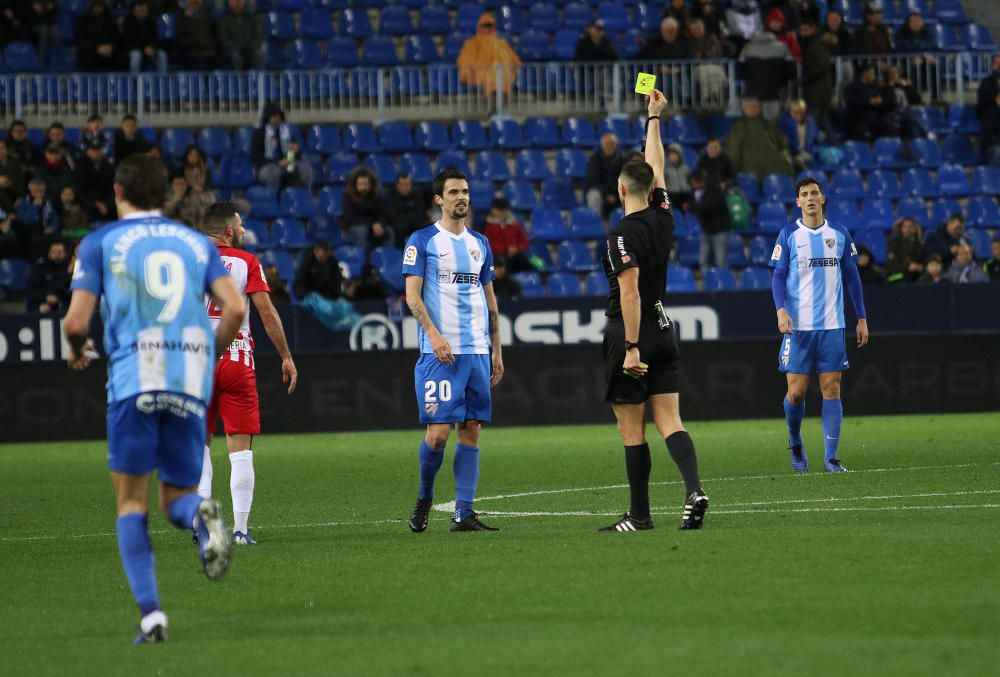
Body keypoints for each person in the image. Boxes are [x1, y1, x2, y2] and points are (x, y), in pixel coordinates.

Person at [62, 153, 244, 644]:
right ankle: (202, 517)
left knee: (130, 504)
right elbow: (235, 306)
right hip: (188, 379)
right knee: (178, 498)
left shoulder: (100, 243)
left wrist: (77, 349)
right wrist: (208, 354)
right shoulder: (193, 242)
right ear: (165, 196)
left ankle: (152, 616)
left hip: (133, 380)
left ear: (118, 192)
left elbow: (76, 323)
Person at [599, 89, 708, 533]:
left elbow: (629, 294)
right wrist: (654, 118)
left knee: (632, 428)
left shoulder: (620, 236)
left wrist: (629, 347)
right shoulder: (663, 217)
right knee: (671, 420)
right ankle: (693, 490)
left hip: (634, 333)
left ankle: (640, 515)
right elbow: (657, 166)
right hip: (664, 327)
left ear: (620, 189)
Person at [402, 168, 504, 533]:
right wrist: (433, 334)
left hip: (476, 350)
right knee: (438, 434)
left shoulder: (480, 243)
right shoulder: (423, 241)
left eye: (465, 191)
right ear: (438, 199)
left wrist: (497, 347)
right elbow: (412, 296)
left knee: (471, 429)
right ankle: (425, 496)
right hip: (439, 354)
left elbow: (490, 298)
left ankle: (464, 512)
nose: (462, 197)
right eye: (454, 192)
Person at [196, 202, 298, 545]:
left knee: (199, 446)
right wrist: (285, 355)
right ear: (227, 230)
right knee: (240, 450)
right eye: (239, 226)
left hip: (195, 361)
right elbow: (267, 314)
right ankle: (239, 530)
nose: (242, 231)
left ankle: (206, 528)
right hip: (237, 358)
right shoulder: (247, 262)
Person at [769, 177, 869, 474]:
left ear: (823, 198)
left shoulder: (839, 233)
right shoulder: (788, 234)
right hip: (797, 327)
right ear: (797, 202)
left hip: (832, 324)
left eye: (814, 193)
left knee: (831, 387)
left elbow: (852, 276)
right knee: (797, 393)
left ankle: (831, 458)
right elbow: (777, 276)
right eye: (804, 194)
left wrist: (861, 317)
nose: (810, 198)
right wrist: (780, 310)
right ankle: (795, 442)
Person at [725, 97, 795, 178]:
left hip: (772, 165)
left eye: (755, 107)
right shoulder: (738, 127)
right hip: (750, 169)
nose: (752, 109)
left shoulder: (768, 124)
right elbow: (734, 150)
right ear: (745, 109)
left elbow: (782, 143)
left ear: (759, 108)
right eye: (749, 107)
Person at [251, 102, 313, 193]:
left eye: (278, 116)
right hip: (266, 166)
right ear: (268, 118)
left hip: (287, 164)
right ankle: (274, 198)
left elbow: (293, 154)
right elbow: (256, 157)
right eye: (274, 117)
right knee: (274, 172)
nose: (277, 119)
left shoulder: (285, 133)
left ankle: (303, 197)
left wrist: (295, 151)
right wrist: (277, 162)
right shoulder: (259, 134)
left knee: (305, 168)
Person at [739, 24, 796, 120]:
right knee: (772, 124)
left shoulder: (748, 48)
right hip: (775, 94)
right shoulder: (783, 48)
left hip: (753, 93)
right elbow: (792, 72)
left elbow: (740, 71)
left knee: (754, 123)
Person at [456, 13, 521, 98]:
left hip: (500, 73)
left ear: (493, 27)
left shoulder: (502, 43)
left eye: (489, 26)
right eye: (485, 26)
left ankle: (498, 94)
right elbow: (464, 60)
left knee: (498, 72)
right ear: (479, 26)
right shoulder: (471, 43)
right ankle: (495, 94)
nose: (487, 28)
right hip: (479, 72)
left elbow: (514, 60)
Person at [799, 18, 836, 141]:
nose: (803, 32)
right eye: (802, 30)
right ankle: (834, 143)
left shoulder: (815, 45)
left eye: (806, 29)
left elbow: (821, 66)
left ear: (813, 29)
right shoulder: (815, 43)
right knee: (823, 119)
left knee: (812, 120)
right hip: (820, 89)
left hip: (817, 90)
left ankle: (806, 146)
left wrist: (804, 79)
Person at [844, 63, 900, 140]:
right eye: (872, 73)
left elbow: (884, 102)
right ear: (865, 74)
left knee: (893, 128)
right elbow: (851, 102)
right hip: (858, 118)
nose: (874, 76)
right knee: (860, 131)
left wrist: (889, 102)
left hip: (875, 118)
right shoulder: (851, 87)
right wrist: (868, 102)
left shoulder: (875, 87)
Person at [689, 169, 731, 270]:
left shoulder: (714, 191)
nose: (693, 185)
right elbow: (694, 207)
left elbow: (705, 208)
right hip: (706, 230)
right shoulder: (695, 192)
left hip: (719, 231)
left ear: (701, 182)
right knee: (702, 261)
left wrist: (694, 208)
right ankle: (706, 283)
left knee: (721, 261)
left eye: (694, 182)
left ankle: (723, 284)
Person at [341, 166, 389, 250]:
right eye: (360, 184)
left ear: (371, 185)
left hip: (372, 228)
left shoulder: (376, 196)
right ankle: (363, 261)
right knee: (362, 231)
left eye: (366, 184)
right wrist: (371, 225)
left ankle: (388, 260)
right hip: (353, 228)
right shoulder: (348, 197)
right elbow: (350, 218)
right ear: (355, 185)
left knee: (389, 231)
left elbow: (382, 213)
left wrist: (380, 224)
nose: (363, 187)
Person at [482, 197, 531, 272]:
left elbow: (524, 242)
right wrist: (505, 249)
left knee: (527, 265)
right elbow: (486, 244)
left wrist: (517, 249)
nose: (495, 212)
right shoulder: (487, 225)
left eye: (499, 210)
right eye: (495, 209)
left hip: (514, 255)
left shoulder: (514, 224)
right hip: (497, 257)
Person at [74, 137, 116, 221]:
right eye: (93, 150)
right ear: (87, 151)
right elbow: (79, 190)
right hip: (87, 204)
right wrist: (95, 203)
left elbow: (111, 188)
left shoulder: (108, 167)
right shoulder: (80, 167)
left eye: (98, 149)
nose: (96, 152)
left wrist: (107, 204)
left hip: (106, 204)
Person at [75, 0, 122, 72]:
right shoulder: (82, 19)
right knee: (88, 57)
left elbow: (116, 37)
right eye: (96, 5)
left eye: (100, 5)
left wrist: (111, 46)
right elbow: (81, 40)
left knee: (121, 57)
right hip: (90, 51)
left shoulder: (110, 19)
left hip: (108, 50)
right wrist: (97, 48)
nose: (98, 8)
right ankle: (91, 81)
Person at [585, 133, 625, 217]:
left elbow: (625, 177)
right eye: (607, 144)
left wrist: (617, 194)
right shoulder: (594, 159)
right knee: (593, 195)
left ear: (616, 145)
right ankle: (595, 222)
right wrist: (606, 194)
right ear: (602, 145)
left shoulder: (622, 158)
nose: (609, 146)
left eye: (612, 144)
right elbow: (594, 180)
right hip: (600, 190)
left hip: (618, 191)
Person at [383, 173, 430, 244]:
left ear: (411, 185)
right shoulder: (391, 196)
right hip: (399, 227)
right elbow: (392, 216)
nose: (404, 187)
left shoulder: (416, 195)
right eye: (402, 185)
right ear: (397, 185)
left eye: (407, 185)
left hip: (415, 225)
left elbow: (420, 213)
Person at [122, 0, 167, 73]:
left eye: (143, 11)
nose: (141, 13)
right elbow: (127, 41)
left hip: (148, 49)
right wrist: (143, 49)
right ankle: (135, 82)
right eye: (138, 11)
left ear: (147, 11)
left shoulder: (151, 22)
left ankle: (162, 81)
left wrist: (152, 47)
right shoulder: (128, 22)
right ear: (134, 12)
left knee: (162, 54)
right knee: (136, 55)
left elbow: (155, 38)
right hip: (133, 49)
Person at [26, 239, 70, 313]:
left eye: (60, 252)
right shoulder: (40, 268)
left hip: (65, 303)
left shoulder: (69, 269)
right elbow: (32, 289)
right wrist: (45, 297)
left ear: (65, 254)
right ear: (49, 254)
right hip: (43, 302)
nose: (57, 255)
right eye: (54, 252)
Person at [219, 0, 264, 70]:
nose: (237, 3)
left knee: (259, 54)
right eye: (234, 1)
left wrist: (250, 48)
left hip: (250, 50)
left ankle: (257, 78)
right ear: (229, 2)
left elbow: (258, 38)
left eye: (239, 1)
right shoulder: (224, 19)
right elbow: (224, 39)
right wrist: (236, 48)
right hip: (233, 50)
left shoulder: (253, 17)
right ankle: (238, 78)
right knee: (235, 55)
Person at [777, 99, 819, 170]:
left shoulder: (810, 123)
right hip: (791, 156)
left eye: (801, 113)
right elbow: (784, 145)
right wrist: (798, 153)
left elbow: (814, 139)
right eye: (795, 113)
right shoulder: (784, 124)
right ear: (790, 112)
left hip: (808, 155)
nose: (799, 116)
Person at [176, 0, 216, 70]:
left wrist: (210, 46)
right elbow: (180, 38)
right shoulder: (182, 18)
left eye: (197, 3)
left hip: (207, 50)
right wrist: (196, 44)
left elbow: (213, 35)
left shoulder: (207, 17)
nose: (195, 6)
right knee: (200, 60)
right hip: (190, 51)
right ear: (187, 4)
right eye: (192, 3)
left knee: (218, 58)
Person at [886, 217, 925, 283]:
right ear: (901, 228)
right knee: (903, 277)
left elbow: (923, 260)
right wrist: (907, 268)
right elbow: (892, 264)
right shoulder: (893, 243)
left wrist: (920, 267)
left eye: (910, 226)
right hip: (894, 276)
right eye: (905, 226)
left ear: (915, 228)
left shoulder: (919, 244)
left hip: (915, 274)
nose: (908, 229)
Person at [0, 138, 26, 211]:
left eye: (2, 148)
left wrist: (21, 197)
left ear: (6, 150)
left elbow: (20, 184)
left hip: (12, 198)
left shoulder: (15, 164)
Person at [664, 143, 692, 209]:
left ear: (680, 155)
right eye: (670, 154)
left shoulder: (686, 168)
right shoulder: (665, 169)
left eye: (675, 154)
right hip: (671, 195)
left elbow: (689, 183)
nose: (672, 156)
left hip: (685, 195)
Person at [980, 91, 1000, 166]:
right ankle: (994, 176)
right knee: (999, 152)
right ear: (997, 100)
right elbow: (990, 137)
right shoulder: (988, 114)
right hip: (992, 147)